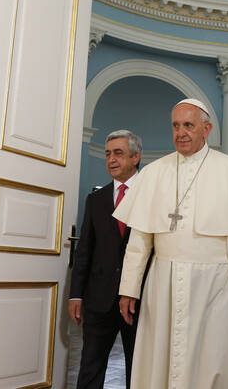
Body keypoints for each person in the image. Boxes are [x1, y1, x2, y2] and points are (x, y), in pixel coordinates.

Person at [116, 98, 228, 389]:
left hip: (220, 285)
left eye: (188, 125)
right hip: (164, 283)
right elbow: (139, 241)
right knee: (164, 358)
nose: (181, 133)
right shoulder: (153, 173)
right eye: (176, 126)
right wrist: (128, 289)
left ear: (207, 129)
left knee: (218, 359)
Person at [69, 130, 142, 389]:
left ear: (136, 157)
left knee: (140, 368)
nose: (111, 159)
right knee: (90, 367)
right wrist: (75, 294)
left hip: (140, 300)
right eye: (108, 153)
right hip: (99, 298)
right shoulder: (96, 199)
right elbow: (85, 249)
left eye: (118, 153)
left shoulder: (152, 195)